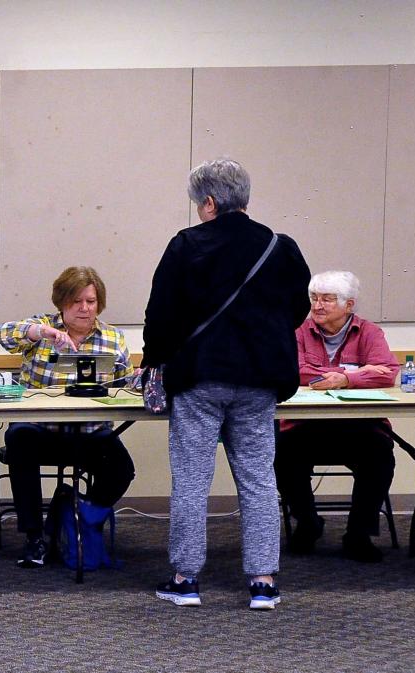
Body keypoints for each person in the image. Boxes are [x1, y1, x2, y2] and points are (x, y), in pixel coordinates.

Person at [143, 157, 310, 610]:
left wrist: (154, 358)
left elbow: (160, 316)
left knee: (193, 481)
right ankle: (262, 581)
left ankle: (185, 580)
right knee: (258, 479)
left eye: (200, 203)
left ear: (210, 202)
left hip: (200, 377)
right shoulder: (281, 246)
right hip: (260, 380)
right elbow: (298, 310)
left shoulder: (186, 245)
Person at [0, 266, 136, 569]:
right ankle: (34, 538)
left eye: (91, 302)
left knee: (122, 467)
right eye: (76, 302)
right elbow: (4, 334)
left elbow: (124, 386)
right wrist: (42, 332)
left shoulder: (113, 338)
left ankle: (80, 515)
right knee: (19, 439)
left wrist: (137, 379)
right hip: (42, 432)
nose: (85, 309)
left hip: (90, 435)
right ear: (62, 303)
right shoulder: (42, 328)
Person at [275, 270, 399, 562]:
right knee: (282, 453)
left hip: (360, 428)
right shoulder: (297, 332)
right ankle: (308, 523)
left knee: (381, 456)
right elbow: (295, 371)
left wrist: (343, 380)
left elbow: (388, 373)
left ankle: (359, 534)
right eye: (314, 298)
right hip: (306, 427)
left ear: (349, 305)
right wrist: (357, 373)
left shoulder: (370, 333)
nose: (317, 306)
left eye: (327, 300)